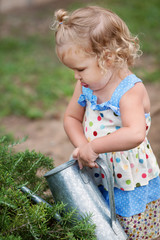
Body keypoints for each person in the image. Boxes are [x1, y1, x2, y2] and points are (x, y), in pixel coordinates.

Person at [52, 6, 160, 239]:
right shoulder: (85, 85)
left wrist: (94, 147)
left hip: (130, 177)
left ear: (107, 58)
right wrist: (83, 147)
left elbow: (134, 134)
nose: (76, 76)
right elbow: (71, 118)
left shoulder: (129, 91)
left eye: (80, 69)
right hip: (98, 170)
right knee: (100, 223)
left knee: (131, 229)